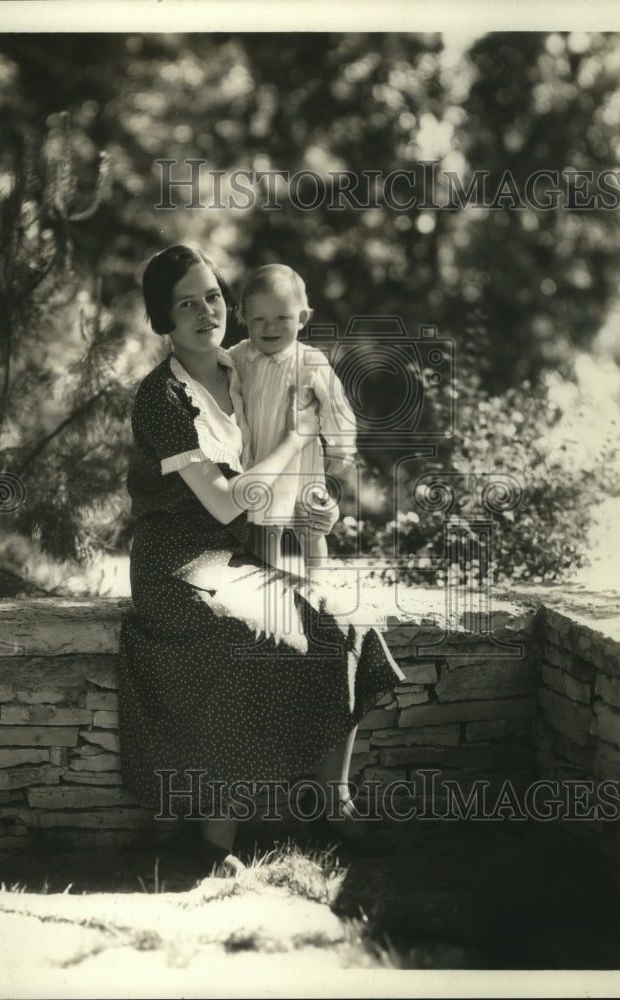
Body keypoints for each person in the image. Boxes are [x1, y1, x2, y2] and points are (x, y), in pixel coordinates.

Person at [118, 244, 403, 873]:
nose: (205, 311)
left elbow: (305, 461)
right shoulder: (163, 398)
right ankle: (216, 841)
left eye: (213, 295)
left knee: (343, 622)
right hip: (178, 562)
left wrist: (320, 503)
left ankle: (336, 803)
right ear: (162, 319)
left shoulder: (249, 365)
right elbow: (223, 504)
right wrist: (302, 436)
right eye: (185, 303)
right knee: (241, 634)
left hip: (243, 552)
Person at [228, 264, 356, 571]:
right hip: (262, 458)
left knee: (309, 523)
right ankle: (270, 580)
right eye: (258, 319)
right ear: (244, 319)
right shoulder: (240, 357)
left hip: (303, 463)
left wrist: (341, 448)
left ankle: (317, 581)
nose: (269, 327)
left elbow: (335, 404)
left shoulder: (311, 361)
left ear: (301, 319)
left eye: (281, 318)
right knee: (267, 526)